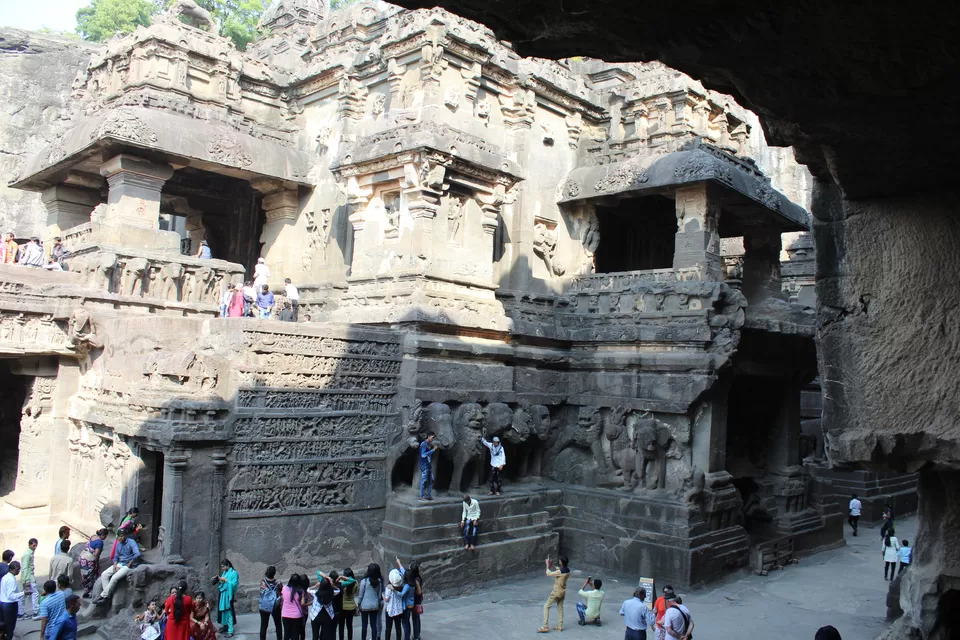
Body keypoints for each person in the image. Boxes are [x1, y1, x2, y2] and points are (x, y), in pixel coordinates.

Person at [95, 528, 140, 603]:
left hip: (128, 565)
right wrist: (115, 565)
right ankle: (108, 595)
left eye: (122, 536)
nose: (120, 538)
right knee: (104, 574)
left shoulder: (131, 542)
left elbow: (137, 554)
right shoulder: (118, 543)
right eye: (119, 536)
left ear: (126, 536)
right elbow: (116, 557)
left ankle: (103, 596)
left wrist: (130, 563)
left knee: (114, 577)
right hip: (120, 563)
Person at [539, 555, 571, 633]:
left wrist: (547, 565)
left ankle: (545, 626)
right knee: (560, 609)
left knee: (546, 606)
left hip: (556, 592)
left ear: (562, 562)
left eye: (560, 561)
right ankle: (560, 626)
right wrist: (552, 565)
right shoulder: (567, 570)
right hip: (562, 592)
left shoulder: (560, 572)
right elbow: (558, 569)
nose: (559, 561)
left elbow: (548, 573)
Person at [78, 529, 106, 598]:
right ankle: (88, 592)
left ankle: (85, 590)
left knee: (84, 575)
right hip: (89, 559)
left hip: (82, 557)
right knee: (90, 576)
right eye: (105, 536)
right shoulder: (100, 542)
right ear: (103, 535)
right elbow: (96, 555)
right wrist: (96, 564)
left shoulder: (93, 536)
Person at [310, 572, 339, 640]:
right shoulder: (332, 593)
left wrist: (315, 586)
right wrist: (332, 585)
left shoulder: (315, 593)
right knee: (325, 636)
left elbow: (308, 590)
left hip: (316, 616)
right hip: (327, 616)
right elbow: (338, 590)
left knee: (315, 636)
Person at [358, 564, 383, 640]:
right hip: (374, 606)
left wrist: (359, 604)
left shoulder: (364, 582)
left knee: (364, 625)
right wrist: (378, 604)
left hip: (364, 606)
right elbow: (379, 596)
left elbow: (360, 595)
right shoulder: (379, 582)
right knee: (374, 625)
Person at [0, 562, 24, 639]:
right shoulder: (11, 580)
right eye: (17, 569)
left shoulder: (5, 577)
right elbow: (11, 596)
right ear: (11, 569)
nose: (19, 571)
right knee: (10, 628)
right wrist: (24, 593)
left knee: (3, 627)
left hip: (3, 603)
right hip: (9, 605)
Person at [393, 558, 415, 640]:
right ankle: (408, 636)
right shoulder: (412, 583)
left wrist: (393, 590)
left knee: (405, 624)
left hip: (406, 606)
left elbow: (401, 594)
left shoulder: (407, 586)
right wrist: (399, 562)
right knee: (407, 622)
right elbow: (403, 571)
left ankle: (407, 638)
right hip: (411, 605)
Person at [259, 566, 283, 640]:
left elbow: (261, 593)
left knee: (264, 625)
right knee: (278, 624)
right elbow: (282, 592)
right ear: (274, 573)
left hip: (265, 606)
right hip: (275, 606)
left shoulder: (263, 582)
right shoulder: (278, 583)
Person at [217, 559, 239, 637]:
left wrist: (225, 580)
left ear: (228, 565)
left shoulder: (234, 573)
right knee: (224, 611)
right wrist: (219, 579)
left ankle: (230, 630)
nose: (222, 568)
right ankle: (225, 626)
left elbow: (234, 585)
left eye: (223, 566)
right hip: (223, 594)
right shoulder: (225, 572)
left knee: (229, 612)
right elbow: (222, 582)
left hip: (229, 595)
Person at [281, 573, 305, 640]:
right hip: (296, 616)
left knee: (286, 633)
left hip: (285, 614)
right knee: (295, 634)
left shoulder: (284, 588)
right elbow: (302, 603)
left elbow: (283, 599)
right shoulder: (300, 591)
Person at [19, 538, 38, 617]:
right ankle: (36, 611)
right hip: (28, 577)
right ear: (29, 544)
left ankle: (20, 613)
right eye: (34, 546)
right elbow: (25, 568)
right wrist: (27, 580)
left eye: (36, 546)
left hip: (28, 576)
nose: (35, 547)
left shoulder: (30, 552)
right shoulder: (27, 554)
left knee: (24, 594)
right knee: (35, 593)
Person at [383, 570, 404, 640]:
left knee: (388, 628)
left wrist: (383, 596)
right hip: (398, 610)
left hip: (390, 610)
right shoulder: (401, 587)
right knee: (398, 628)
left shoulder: (389, 588)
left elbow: (386, 599)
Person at [337, 568, 358, 640]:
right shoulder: (355, 583)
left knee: (341, 626)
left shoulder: (341, 583)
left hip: (342, 607)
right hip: (351, 607)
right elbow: (354, 592)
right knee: (349, 626)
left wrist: (341, 577)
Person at [418, 432, 437, 501]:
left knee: (431, 480)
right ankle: (421, 495)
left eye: (434, 438)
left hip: (428, 465)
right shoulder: (424, 444)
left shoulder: (428, 444)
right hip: (424, 465)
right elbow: (423, 455)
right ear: (429, 436)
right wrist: (432, 450)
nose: (433, 439)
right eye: (432, 437)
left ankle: (428, 495)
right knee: (424, 480)